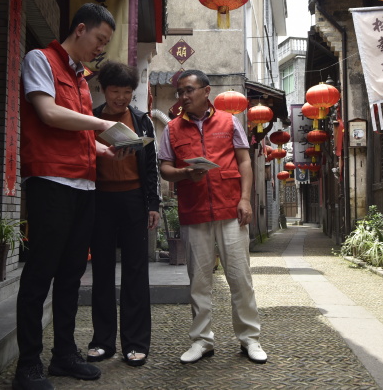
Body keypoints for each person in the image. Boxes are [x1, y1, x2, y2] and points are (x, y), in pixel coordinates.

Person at [15, 3, 129, 390]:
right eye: (99, 39)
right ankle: (28, 365)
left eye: (106, 43)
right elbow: (48, 113)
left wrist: (104, 149)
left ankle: (63, 354)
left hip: (84, 185)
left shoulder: (81, 78)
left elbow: (76, 133)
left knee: (71, 275)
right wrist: (101, 123)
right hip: (51, 182)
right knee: (39, 274)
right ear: (80, 29)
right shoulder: (40, 59)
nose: (101, 48)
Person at [158, 69, 268, 365]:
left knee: (240, 277)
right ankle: (201, 340)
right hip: (194, 211)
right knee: (198, 280)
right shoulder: (172, 128)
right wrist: (184, 172)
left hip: (230, 209)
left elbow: (244, 161)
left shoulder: (229, 122)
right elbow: (165, 168)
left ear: (206, 92)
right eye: (180, 91)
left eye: (189, 90)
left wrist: (245, 199)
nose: (183, 96)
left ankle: (250, 338)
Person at [86, 61, 160, 367]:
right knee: (102, 270)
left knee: (136, 271)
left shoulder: (142, 120)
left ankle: (136, 343)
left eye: (127, 92)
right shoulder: (91, 119)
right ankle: (102, 342)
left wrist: (153, 204)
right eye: (116, 91)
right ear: (103, 90)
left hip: (133, 200)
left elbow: (151, 164)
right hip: (100, 199)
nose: (121, 98)